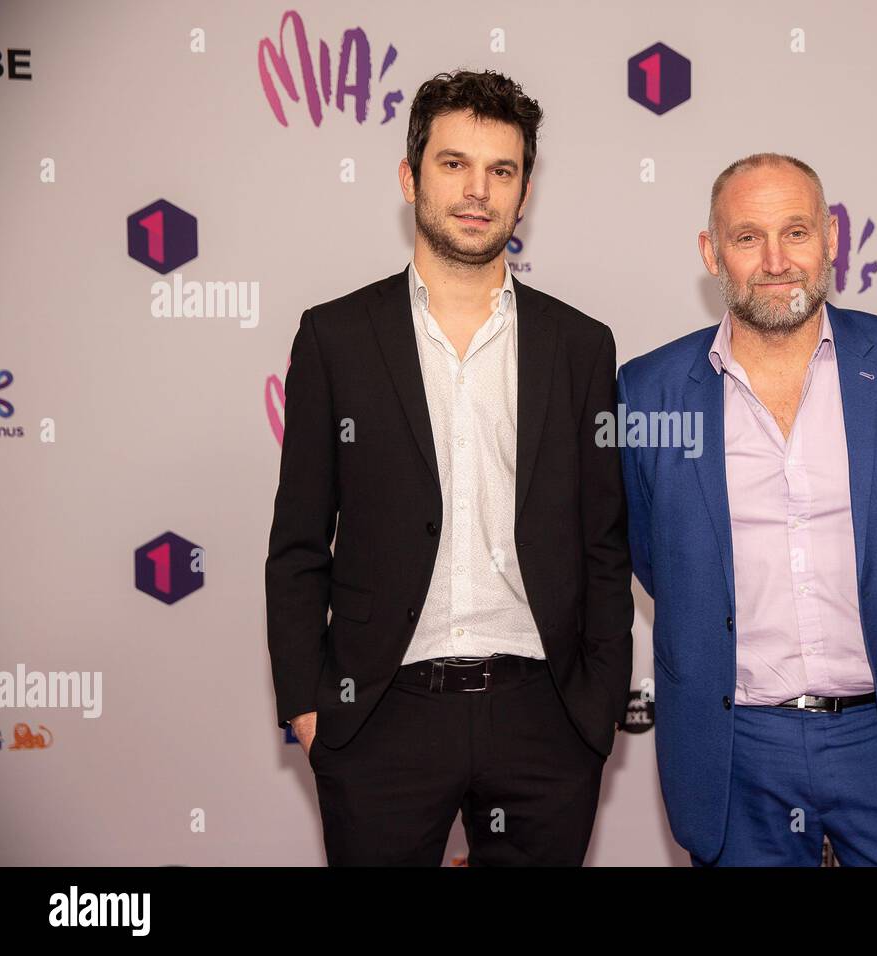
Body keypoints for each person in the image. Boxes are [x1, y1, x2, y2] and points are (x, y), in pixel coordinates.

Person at [265, 69, 633, 866]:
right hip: (380, 717)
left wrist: (595, 709)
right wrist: (307, 705)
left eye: (501, 171)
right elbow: (298, 542)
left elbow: (604, 542)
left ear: (524, 191)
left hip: (543, 715)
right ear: (410, 178)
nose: (478, 191)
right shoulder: (335, 338)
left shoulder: (580, 347)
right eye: (453, 163)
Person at [617, 153, 877, 865]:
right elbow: (653, 552)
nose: (776, 260)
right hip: (738, 750)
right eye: (748, 237)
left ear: (832, 239)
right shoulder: (649, 391)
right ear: (710, 251)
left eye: (796, 232)